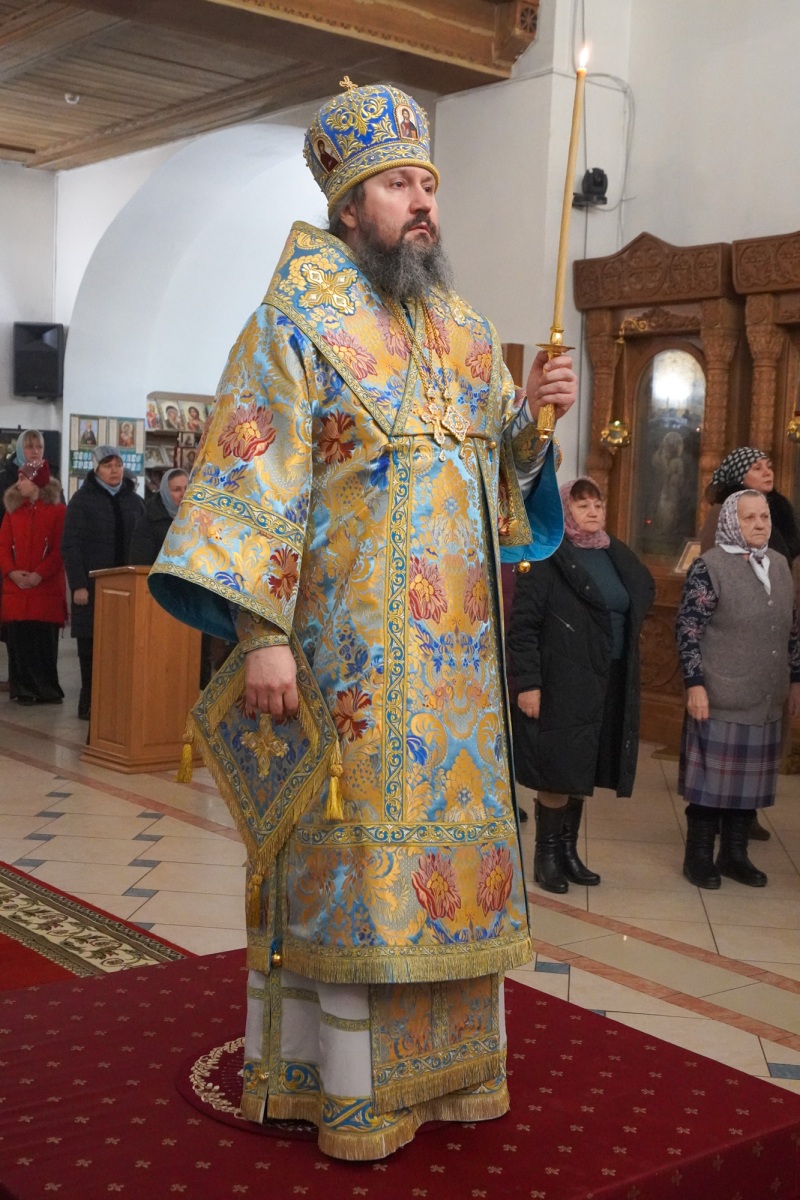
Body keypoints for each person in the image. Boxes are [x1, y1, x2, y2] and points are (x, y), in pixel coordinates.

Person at [149, 81, 576, 1161]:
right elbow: (249, 487)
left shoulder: (466, 332)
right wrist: (261, 636)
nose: (423, 202)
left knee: (453, 878)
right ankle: (338, 1090)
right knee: (354, 875)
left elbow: (500, 498)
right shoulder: (292, 324)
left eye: (429, 182)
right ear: (348, 206)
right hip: (349, 671)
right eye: (398, 185)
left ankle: (455, 1076)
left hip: (459, 684)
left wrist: (533, 428)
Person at [506, 478, 655, 893]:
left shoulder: (613, 553)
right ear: (564, 512)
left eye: (598, 504)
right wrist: (528, 684)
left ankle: (569, 852)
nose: (593, 511)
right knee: (558, 769)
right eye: (581, 504)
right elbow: (523, 628)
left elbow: (637, 597)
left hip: (608, 676)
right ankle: (547, 857)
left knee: (584, 764)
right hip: (561, 680)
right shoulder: (546, 557)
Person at [676, 490, 800, 890]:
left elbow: (792, 629)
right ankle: (698, 857)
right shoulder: (710, 567)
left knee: (750, 788)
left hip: (766, 697)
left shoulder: (779, 564)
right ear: (732, 521)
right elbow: (688, 630)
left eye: (764, 517)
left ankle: (734, 855)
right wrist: (695, 684)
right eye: (750, 518)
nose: (760, 524)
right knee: (711, 786)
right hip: (720, 696)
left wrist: (795, 680)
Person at [699, 446, 800, 841]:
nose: (767, 471)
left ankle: (743, 821)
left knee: (761, 742)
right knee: (725, 753)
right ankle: (712, 833)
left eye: (769, 465)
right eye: (757, 467)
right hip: (733, 647)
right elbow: (713, 583)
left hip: (771, 637)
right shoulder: (723, 517)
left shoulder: (780, 512)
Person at [61, 446, 145, 720]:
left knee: (120, 648)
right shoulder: (82, 500)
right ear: (96, 469)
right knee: (91, 647)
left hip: (127, 588)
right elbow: (70, 545)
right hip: (92, 589)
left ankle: (115, 703)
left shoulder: (134, 501)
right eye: (108, 466)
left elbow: (142, 542)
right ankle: (89, 703)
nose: (114, 470)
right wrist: (78, 584)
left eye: (118, 465)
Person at [0, 458, 67, 704]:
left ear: (37, 482)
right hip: (16, 589)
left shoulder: (58, 512)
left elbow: (59, 549)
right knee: (19, 641)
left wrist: (39, 574)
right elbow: (3, 546)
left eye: (23, 478)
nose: (18, 484)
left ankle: (45, 690)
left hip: (45, 588)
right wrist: (11, 572)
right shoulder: (13, 511)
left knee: (43, 642)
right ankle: (23, 689)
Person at [128, 468, 188, 566]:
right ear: (166, 493)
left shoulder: (198, 519)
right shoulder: (149, 522)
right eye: (177, 490)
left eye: (187, 488)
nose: (183, 494)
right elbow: (141, 563)